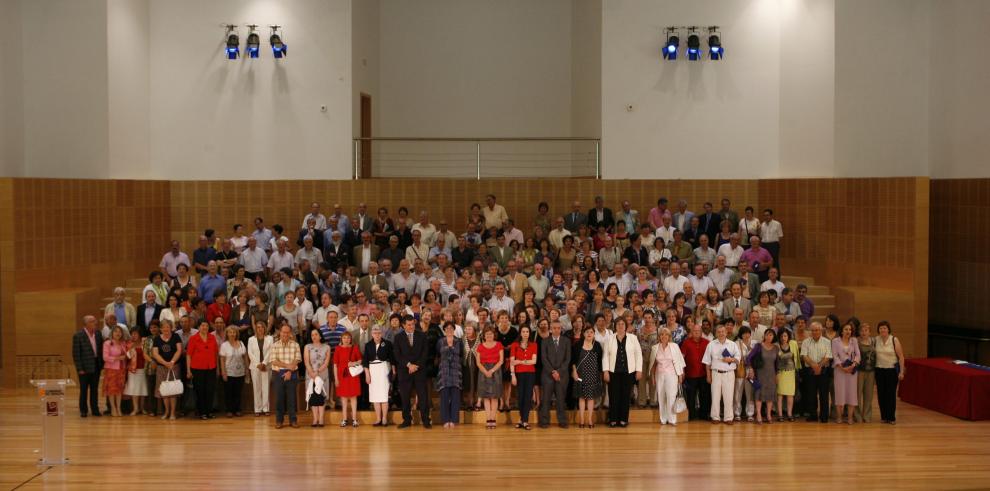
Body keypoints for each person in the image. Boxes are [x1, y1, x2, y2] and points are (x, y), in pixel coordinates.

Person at [394, 315, 431, 429]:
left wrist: (416, 365)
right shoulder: (398, 337)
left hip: (419, 370)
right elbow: (397, 354)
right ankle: (406, 420)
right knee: (405, 397)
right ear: (403, 325)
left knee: (423, 396)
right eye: (409, 325)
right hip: (404, 371)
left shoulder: (422, 336)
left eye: (413, 324)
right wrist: (409, 365)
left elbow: (425, 353)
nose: (411, 327)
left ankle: (425, 420)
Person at [603, 318, 642, 427]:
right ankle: (613, 419)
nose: (620, 326)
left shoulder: (633, 338)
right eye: (618, 324)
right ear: (615, 326)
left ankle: (623, 419)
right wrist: (605, 371)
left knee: (625, 396)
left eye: (622, 324)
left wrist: (639, 370)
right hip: (613, 371)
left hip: (628, 372)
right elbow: (605, 356)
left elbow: (638, 354)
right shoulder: (609, 339)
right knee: (613, 395)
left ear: (626, 326)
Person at [703, 324, 740, 425]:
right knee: (715, 396)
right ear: (716, 333)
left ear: (726, 332)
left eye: (723, 331)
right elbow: (707, 362)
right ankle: (715, 417)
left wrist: (730, 359)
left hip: (729, 373)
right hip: (715, 373)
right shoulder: (711, 344)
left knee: (728, 397)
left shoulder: (732, 344)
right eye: (719, 332)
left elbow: (738, 360)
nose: (721, 334)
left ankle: (728, 418)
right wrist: (708, 375)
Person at [649, 327, 686, 426]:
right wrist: (652, 377)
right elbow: (653, 364)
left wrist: (680, 375)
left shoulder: (674, 346)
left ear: (669, 336)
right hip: (659, 374)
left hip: (672, 374)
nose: (664, 336)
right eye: (662, 334)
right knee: (661, 397)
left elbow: (679, 362)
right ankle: (663, 419)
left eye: (666, 334)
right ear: (659, 336)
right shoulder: (655, 347)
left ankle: (672, 419)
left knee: (671, 396)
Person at [539, 321, 571, 429]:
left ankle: (562, 421)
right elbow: (544, 359)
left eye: (558, 328)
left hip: (562, 375)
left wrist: (559, 372)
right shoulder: (545, 341)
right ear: (550, 329)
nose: (556, 330)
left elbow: (567, 359)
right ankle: (544, 421)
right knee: (546, 399)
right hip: (548, 375)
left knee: (561, 399)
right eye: (554, 328)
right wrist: (553, 372)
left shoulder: (566, 341)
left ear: (561, 329)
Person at [72, 315, 105, 417]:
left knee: (94, 389)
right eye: (92, 321)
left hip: (96, 365)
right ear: (86, 324)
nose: (95, 323)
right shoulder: (78, 335)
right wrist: (80, 369)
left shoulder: (98, 334)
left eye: (95, 321)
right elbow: (76, 354)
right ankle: (83, 410)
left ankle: (95, 410)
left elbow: (101, 350)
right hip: (84, 367)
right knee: (84, 389)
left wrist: (102, 364)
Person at [800, 321, 832, 423]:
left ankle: (824, 416)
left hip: (824, 371)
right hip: (810, 371)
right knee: (811, 394)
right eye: (813, 330)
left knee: (824, 395)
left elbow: (828, 356)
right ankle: (813, 415)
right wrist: (814, 366)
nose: (815, 332)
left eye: (817, 330)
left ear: (821, 330)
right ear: (810, 331)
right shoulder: (806, 342)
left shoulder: (827, 342)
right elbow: (804, 356)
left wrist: (819, 366)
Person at [270, 325, 302, 428]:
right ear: (280, 332)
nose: (285, 334)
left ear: (290, 333)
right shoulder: (274, 345)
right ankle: (279, 421)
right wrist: (287, 366)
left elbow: (297, 359)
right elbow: (274, 361)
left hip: (291, 373)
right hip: (278, 373)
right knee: (279, 398)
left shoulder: (295, 345)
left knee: (292, 398)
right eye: (283, 332)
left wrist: (289, 370)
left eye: (287, 332)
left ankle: (293, 420)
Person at [185, 320, 218, 420]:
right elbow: (188, 355)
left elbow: (216, 353)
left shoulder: (212, 337)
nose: (205, 327)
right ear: (198, 327)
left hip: (211, 368)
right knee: (200, 391)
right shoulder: (193, 338)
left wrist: (218, 368)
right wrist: (188, 370)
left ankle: (209, 411)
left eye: (206, 325)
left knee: (210, 391)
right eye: (202, 325)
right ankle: (202, 412)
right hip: (197, 368)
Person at [572, 326, 604, 429]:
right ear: (583, 334)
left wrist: (600, 375)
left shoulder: (597, 346)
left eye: (591, 332)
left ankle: (590, 419)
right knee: (581, 397)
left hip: (593, 375)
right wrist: (574, 372)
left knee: (591, 398)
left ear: (594, 334)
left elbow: (600, 362)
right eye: (587, 332)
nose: (589, 334)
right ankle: (581, 419)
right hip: (580, 375)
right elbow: (573, 361)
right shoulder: (577, 345)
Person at [875, 320, 905, 425]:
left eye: (885, 328)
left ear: (888, 329)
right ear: (878, 330)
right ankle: (884, 416)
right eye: (881, 328)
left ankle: (891, 417)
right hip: (879, 370)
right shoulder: (876, 340)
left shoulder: (894, 340)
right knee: (881, 394)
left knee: (890, 394)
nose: (883, 330)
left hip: (891, 371)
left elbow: (901, 357)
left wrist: (901, 372)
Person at [152, 319, 183, 420]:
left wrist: (172, 362)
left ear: (171, 328)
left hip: (174, 366)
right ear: (161, 329)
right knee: (164, 391)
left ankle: (173, 413)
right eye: (164, 327)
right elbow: (155, 353)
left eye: (168, 327)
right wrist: (165, 363)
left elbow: (179, 350)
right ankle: (166, 412)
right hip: (161, 367)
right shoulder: (156, 339)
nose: (166, 329)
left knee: (172, 391)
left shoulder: (176, 337)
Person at [364, 325, 394, 426]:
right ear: (372, 334)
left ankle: (384, 418)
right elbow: (365, 362)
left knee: (384, 395)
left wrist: (393, 371)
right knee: (375, 396)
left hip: (383, 369)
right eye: (375, 333)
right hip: (372, 370)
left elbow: (392, 358)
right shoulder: (368, 345)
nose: (377, 335)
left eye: (379, 333)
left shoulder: (387, 343)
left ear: (382, 334)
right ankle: (378, 418)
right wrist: (367, 375)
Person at [509, 325, 538, 430]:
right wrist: (513, 375)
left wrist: (520, 361)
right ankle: (521, 419)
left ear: (529, 333)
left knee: (527, 396)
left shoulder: (534, 345)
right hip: (519, 374)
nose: (525, 333)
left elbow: (534, 361)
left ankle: (525, 420)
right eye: (523, 331)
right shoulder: (515, 345)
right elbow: (512, 361)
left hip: (530, 373)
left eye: (527, 331)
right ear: (520, 333)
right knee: (520, 397)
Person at [832, 322, 861, 425]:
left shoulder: (854, 341)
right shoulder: (835, 341)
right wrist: (842, 367)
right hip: (839, 371)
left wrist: (853, 364)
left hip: (851, 372)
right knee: (840, 393)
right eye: (846, 329)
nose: (848, 331)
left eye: (849, 329)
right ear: (841, 331)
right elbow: (835, 356)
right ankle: (839, 417)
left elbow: (858, 354)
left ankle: (849, 418)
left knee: (851, 394)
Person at [333, 331, 364, 428]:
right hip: (342, 376)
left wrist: (353, 363)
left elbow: (360, 360)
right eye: (344, 338)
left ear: (351, 339)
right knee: (344, 399)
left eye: (348, 338)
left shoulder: (354, 348)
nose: (346, 340)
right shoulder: (338, 349)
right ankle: (344, 419)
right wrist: (336, 379)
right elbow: (335, 365)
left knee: (354, 398)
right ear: (341, 339)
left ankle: (354, 419)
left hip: (353, 376)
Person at [680, 323, 710, 421]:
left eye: (698, 331)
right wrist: (682, 372)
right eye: (695, 331)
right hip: (690, 374)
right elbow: (681, 358)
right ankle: (691, 416)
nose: (696, 333)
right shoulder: (686, 342)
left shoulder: (707, 342)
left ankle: (704, 415)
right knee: (691, 397)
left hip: (703, 374)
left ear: (701, 332)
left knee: (704, 396)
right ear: (691, 332)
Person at [437, 322, 464, 428]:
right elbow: (438, 353)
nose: (449, 330)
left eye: (451, 328)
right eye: (447, 328)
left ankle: (453, 419)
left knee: (455, 397)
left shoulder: (458, 341)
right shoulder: (440, 341)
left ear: (454, 329)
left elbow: (460, 353)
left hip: (455, 371)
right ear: (444, 330)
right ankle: (445, 420)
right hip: (444, 371)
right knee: (444, 396)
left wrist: (450, 348)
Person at [476, 327, 504, 429]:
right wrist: (485, 371)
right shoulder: (480, 346)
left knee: (495, 396)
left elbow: (501, 361)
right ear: (484, 335)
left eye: (491, 334)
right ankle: (488, 418)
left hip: (495, 371)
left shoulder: (499, 345)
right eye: (487, 334)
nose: (489, 336)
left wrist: (491, 371)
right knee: (486, 396)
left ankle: (493, 418)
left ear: (494, 335)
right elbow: (478, 362)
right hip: (483, 371)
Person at [749, 329, 779, 424]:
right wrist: (751, 369)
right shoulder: (758, 346)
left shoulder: (776, 348)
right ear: (764, 336)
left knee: (770, 395)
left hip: (771, 374)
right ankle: (758, 415)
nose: (769, 337)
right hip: (760, 374)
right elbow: (749, 358)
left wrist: (777, 374)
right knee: (759, 394)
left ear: (773, 337)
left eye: (771, 335)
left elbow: (777, 363)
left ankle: (769, 415)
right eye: (767, 335)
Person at [219, 326, 248, 417]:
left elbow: (245, 357)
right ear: (227, 334)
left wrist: (247, 369)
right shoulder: (224, 345)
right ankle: (229, 410)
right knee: (228, 393)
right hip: (229, 373)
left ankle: (237, 409)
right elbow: (222, 360)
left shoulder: (241, 343)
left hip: (240, 372)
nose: (232, 334)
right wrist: (223, 372)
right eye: (230, 332)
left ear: (236, 334)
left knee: (238, 393)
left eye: (234, 332)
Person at [305, 328, 331, 427]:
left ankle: (321, 419)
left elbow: (326, 362)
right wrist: (312, 372)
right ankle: (315, 419)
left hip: (322, 374)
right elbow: (306, 361)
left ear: (320, 336)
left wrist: (318, 371)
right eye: (312, 335)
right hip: (311, 374)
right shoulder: (307, 347)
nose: (314, 337)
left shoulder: (327, 347)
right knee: (313, 397)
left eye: (316, 334)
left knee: (321, 397)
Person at [102, 326, 129, 417]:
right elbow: (105, 358)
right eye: (116, 331)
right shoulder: (107, 343)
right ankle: (113, 408)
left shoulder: (123, 343)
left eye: (119, 332)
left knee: (119, 390)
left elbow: (126, 355)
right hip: (111, 369)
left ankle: (119, 408)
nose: (118, 333)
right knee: (111, 390)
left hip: (122, 369)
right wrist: (117, 358)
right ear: (112, 333)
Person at [247, 321, 273, 417]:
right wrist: (258, 364)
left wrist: (264, 363)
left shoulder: (270, 338)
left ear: (265, 328)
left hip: (266, 366)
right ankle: (257, 409)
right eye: (258, 327)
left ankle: (266, 408)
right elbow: (250, 353)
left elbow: (271, 351)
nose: (260, 329)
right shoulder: (251, 339)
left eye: (262, 327)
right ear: (255, 329)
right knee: (256, 388)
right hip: (255, 367)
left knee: (266, 387)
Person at [776, 328, 800, 422]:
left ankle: (790, 414)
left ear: (788, 336)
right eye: (781, 336)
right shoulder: (776, 345)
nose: (783, 338)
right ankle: (780, 414)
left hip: (791, 372)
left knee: (790, 394)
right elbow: (779, 358)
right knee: (780, 394)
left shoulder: (793, 344)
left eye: (785, 336)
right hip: (780, 372)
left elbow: (796, 357)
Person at [732, 326, 755, 422]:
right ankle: (737, 413)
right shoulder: (736, 344)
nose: (746, 335)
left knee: (750, 394)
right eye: (744, 333)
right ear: (741, 334)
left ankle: (750, 413)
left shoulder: (754, 343)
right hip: (740, 370)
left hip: (750, 371)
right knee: (738, 393)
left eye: (748, 333)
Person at [124, 327, 149, 416]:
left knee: (143, 389)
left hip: (144, 369)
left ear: (139, 334)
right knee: (134, 390)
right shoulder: (129, 344)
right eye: (132, 334)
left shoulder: (145, 342)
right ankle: (135, 408)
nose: (133, 335)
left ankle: (142, 408)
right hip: (133, 370)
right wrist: (131, 348)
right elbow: (128, 357)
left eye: (135, 333)